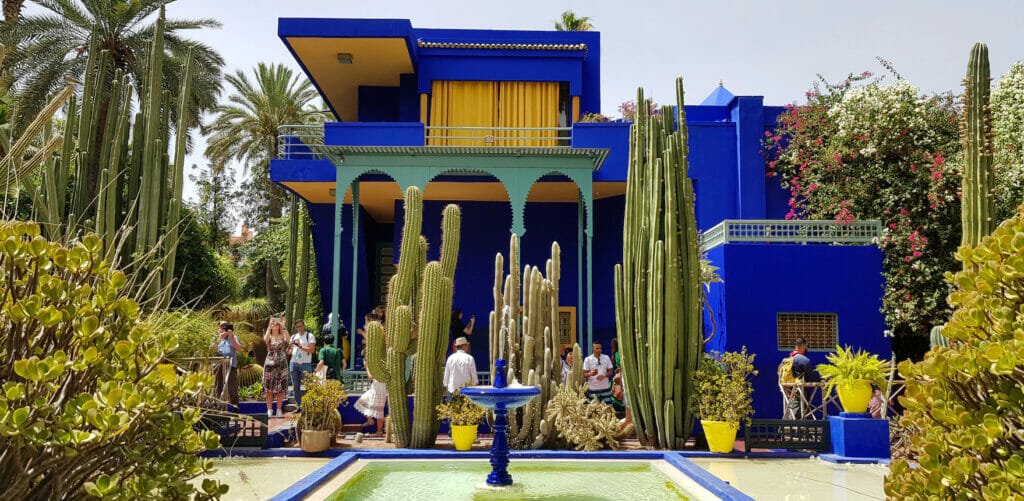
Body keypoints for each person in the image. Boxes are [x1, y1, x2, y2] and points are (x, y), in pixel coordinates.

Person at [210, 322, 242, 410]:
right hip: (217, 365)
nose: (224, 329)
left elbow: (238, 348)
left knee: (232, 386)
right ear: (218, 329)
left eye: (226, 327)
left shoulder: (233, 337)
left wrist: (231, 338)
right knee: (218, 386)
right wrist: (219, 339)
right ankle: (218, 407)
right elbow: (211, 349)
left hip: (230, 365)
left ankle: (235, 406)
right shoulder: (215, 338)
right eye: (222, 327)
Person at [786, 337, 821, 418]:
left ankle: (789, 426)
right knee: (798, 411)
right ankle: (792, 427)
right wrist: (821, 381)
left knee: (794, 409)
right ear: (803, 346)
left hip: (789, 391)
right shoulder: (804, 360)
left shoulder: (788, 359)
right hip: (800, 391)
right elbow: (812, 376)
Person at [263, 317, 290, 417]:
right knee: (268, 386)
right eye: (273, 323)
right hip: (270, 363)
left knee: (281, 386)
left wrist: (283, 326)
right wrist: (269, 326)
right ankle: (269, 409)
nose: (275, 324)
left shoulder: (282, 335)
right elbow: (265, 340)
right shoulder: (269, 336)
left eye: (276, 323)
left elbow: (288, 339)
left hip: (281, 363)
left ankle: (279, 409)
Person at [353, 360, 387, 436]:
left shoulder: (380, 364)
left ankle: (379, 432)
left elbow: (371, 377)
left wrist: (367, 367)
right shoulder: (379, 363)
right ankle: (370, 420)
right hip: (375, 386)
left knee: (379, 409)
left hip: (379, 386)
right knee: (361, 401)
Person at [288, 319, 317, 408]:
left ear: (304, 325)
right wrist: (290, 346)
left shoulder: (309, 336)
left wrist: (300, 346)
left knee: (308, 385)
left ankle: (310, 405)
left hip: (305, 363)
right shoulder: (293, 337)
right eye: (297, 327)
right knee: (295, 386)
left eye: (300, 326)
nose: (299, 328)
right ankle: (299, 406)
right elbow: (288, 352)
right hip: (293, 362)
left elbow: (312, 350)